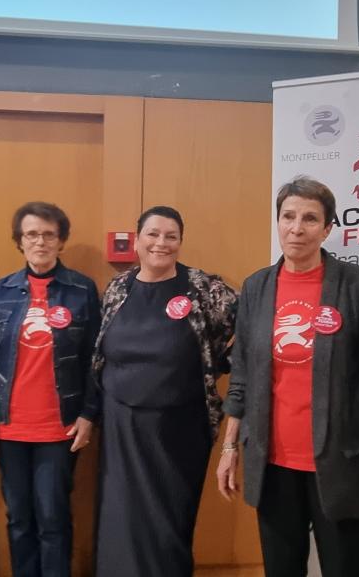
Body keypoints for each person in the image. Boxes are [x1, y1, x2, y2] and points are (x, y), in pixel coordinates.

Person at [217, 176, 359, 577]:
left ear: (328, 228)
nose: (296, 228)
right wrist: (230, 447)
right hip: (272, 462)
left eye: (310, 219)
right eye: (288, 216)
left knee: (344, 569)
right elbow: (244, 375)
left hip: (341, 464)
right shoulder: (257, 287)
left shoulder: (357, 286)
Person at [92, 205, 237, 577]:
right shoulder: (117, 289)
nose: (161, 243)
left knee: (168, 524)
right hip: (120, 424)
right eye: (153, 234)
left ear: (180, 242)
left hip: (179, 430)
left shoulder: (205, 288)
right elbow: (100, 352)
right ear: (138, 239)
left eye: (171, 236)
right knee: (119, 521)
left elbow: (247, 336)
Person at [0, 201, 100, 577]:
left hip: (60, 426)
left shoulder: (81, 290)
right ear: (19, 242)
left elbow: (96, 357)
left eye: (48, 235)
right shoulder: (4, 290)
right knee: (19, 518)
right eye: (31, 234)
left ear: (61, 242)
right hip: (9, 425)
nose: (40, 242)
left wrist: (89, 414)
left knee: (53, 518)